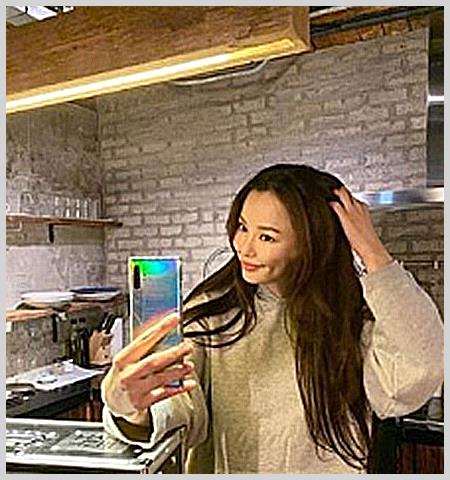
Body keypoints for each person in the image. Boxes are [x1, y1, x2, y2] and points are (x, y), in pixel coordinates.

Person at [101, 164, 444, 473]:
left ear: (310, 243)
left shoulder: (353, 318)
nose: (244, 247)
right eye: (242, 227)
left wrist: (372, 252)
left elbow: (415, 375)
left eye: (266, 236)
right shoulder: (214, 313)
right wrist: (131, 409)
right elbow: (181, 410)